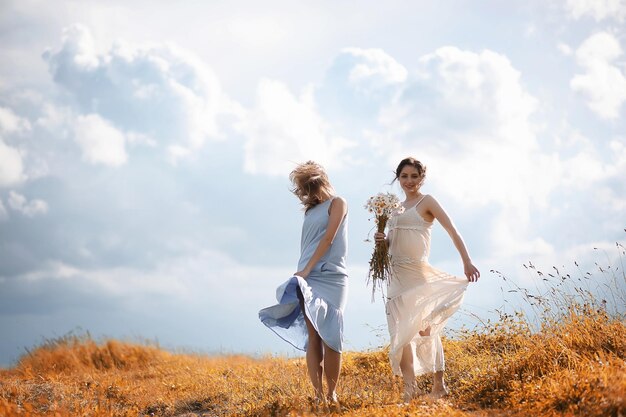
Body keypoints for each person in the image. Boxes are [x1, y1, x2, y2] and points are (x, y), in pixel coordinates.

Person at [375, 157, 479, 402]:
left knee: (424, 330)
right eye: (404, 176)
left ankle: (439, 383)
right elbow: (393, 242)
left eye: (414, 176)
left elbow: (452, 230)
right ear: (397, 178)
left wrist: (466, 261)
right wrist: (383, 241)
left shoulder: (427, 201)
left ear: (422, 178)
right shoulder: (395, 207)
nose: (409, 181)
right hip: (396, 275)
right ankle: (409, 388)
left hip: (418, 274)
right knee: (401, 333)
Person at [259, 161, 348, 409]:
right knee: (314, 337)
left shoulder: (338, 203)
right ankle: (319, 394)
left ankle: (332, 394)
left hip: (333, 276)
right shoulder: (310, 212)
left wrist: (308, 268)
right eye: (304, 188)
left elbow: (329, 239)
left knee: (331, 336)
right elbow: (308, 245)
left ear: (321, 181)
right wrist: (305, 271)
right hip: (307, 276)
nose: (308, 192)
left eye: (311, 185)